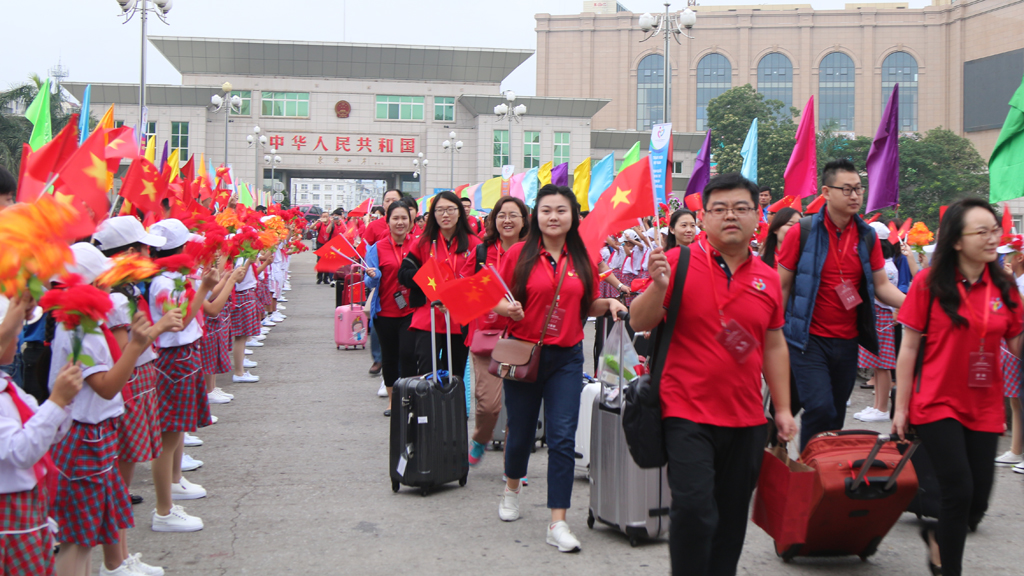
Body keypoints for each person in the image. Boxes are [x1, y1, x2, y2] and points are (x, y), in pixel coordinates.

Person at [629, 173, 797, 576]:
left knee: (731, 519)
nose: (730, 216)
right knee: (693, 509)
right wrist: (656, 287)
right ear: (703, 217)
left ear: (758, 216)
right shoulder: (677, 262)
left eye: (741, 208)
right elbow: (640, 319)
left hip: (746, 419)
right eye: (719, 209)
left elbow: (773, 344)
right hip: (685, 412)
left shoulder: (768, 277)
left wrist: (785, 409)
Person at [491, 184, 627, 553]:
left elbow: (588, 305)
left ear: (573, 217)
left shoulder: (582, 258)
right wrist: (509, 310)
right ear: (536, 216)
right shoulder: (519, 254)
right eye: (546, 210)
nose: (553, 216)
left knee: (563, 438)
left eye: (561, 210)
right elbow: (494, 299)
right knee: (519, 432)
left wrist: (610, 305)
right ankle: (512, 488)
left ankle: (558, 521)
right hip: (524, 354)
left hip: (566, 358)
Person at [892, 198, 1023, 576]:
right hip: (936, 402)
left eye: (994, 230)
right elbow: (909, 347)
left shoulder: (1004, 286)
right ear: (956, 241)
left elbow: (1016, 342)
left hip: (984, 405)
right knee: (958, 489)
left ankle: (938, 539)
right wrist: (901, 409)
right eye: (981, 231)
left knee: (976, 500)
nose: (992, 238)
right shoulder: (928, 283)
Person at [51, 243, 182, 576]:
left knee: (91, 529)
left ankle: (116, 564)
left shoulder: (83, 326)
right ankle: (116, 565)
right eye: (104, 280)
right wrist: (138, 344)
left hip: (93, 432)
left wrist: (145, 336)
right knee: (78, 539)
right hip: (84, 436)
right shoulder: (81, 330)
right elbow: (108, 386)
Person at [777, 159, 906, 448]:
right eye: (846, 189)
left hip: (848, 341)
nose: (854, 196)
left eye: (859, 189)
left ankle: (823, 473)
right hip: (808, 341)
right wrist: (772, 334)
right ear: (826, 192)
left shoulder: (867, 235)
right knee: (820, 407)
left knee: (834, 416)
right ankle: (809, 470)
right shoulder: (803, 232)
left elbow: (882, 287)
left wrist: (916, 305)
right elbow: (781, 286)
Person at [0, 291, 81, 576]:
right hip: (9, 513)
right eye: (13, 331)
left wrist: (64, 403)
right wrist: (57, 401)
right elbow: (21, 451)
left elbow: (44, 428)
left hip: (28, 505)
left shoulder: (8, 386)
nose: (19, 336)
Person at [147, 219, 219, 533]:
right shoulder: (164, 283)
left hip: (182, 356)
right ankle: (164, 509)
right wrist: (203, 287)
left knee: (177, 430)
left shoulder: (173, 277)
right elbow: (176, 323)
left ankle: (175, 481)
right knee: (169, 433)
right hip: (172, 358)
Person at [467, 196, 528, 465]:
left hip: (523, 338)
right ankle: (481, 437)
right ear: (494, 220)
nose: (507, 220)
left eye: (513, 215)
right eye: (502, 215)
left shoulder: (533, 252)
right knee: (489, 404)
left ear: (524, 220)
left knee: (520, 408)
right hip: (487, 336)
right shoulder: (482, 252)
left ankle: (514, 465)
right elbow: (465, 286)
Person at [398, 191, 481, 380]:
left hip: (459, 317)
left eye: (450, 209)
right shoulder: (423, 243)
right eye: (440, 210)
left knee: (456, 371)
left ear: (460, 212)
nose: (445, 215)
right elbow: (403, 274)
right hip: (428, 315)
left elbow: (481, 280)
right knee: (428, 367)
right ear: (433, 214)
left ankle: (454, 409)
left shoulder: (474, 243)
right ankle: (429, 408)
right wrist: (428, 276)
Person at [364, 200, 419, 418]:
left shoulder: (417, 245)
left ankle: (409, 399)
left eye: (404, 218)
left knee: (408, 355)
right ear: (387, 222)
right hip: (384, 312)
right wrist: (373, 276)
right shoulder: (376, 248)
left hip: (410, 311)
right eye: (395, 218)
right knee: (389, 358)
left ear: (411, 221)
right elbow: (369, 283)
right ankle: (392, 401)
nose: (400, 222)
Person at [853, 222, 901, 422]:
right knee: (877, 365)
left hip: (881, 316)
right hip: (876, 315)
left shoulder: (886, 268)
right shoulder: (881, 265)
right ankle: (877, 406)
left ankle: (882, 408)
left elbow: (883, 295)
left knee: (883, 364)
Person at [311, 212, 335, 285]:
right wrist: (317, 222)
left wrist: (331, 222)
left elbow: (330, 230)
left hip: (328, 244)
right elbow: (311, 228)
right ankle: (319, 277)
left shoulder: (331, 224)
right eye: (323, 216)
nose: (325, 218)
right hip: (320, 244)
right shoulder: (320, 224)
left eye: (326, 216)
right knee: (320, 261)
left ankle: (325, 278)